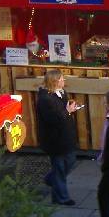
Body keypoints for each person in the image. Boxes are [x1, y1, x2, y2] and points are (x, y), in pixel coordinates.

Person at [36, 69, 79, 206]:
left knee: (70, 160)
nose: (64, 81)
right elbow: (52, 119)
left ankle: (51, 179)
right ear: (54, 81)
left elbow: (62, 112)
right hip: (54, 139)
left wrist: (70, 108)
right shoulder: (45, 99)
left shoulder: (62, 93)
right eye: (61, 79)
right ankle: (62, 198)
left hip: (66, 135)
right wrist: (67, 111)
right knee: (60, 167)